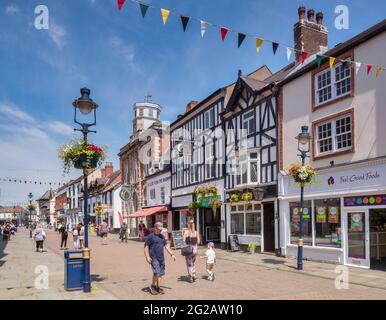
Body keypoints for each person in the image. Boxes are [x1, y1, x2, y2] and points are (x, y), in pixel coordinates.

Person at [144, 222, 176, 295]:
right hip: (153, 258)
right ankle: (152, 286)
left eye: (161, 229)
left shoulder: (162, 237)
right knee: (157, 273)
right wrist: (147, 257)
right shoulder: (150, 237)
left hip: (161, 258)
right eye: (159, 229)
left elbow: (166, 246)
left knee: (160, 274)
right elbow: (145, 247)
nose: (161, 230)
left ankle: (158, 287)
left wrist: (172, 254)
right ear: (155, 228)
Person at [182, 219, 200, 283]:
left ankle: (191, 276)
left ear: (188, 224)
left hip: (188, 249)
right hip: (195, 248)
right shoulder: (196, 232)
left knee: (189, 263)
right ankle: (194, 273)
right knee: (193, 262)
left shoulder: (186, 232)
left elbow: (183, 240)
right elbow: (198, 241)